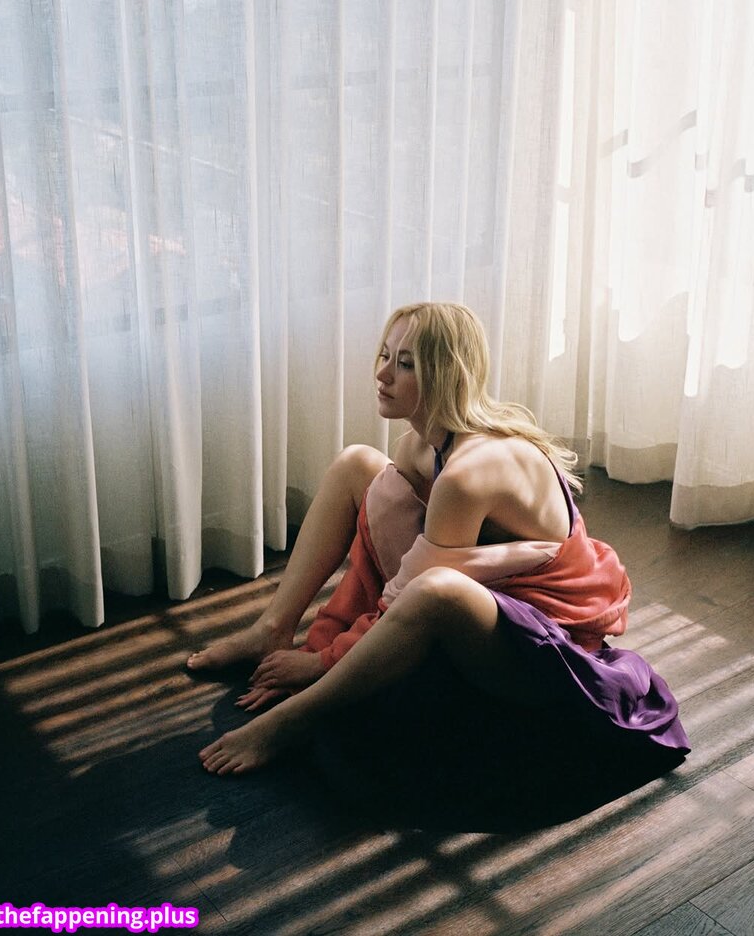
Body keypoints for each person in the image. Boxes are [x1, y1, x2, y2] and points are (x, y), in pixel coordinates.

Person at [191, 302, 689, 784]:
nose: (382, 374)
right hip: (492, 601)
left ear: (447, 375)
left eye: (406, 364)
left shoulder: (466, 476)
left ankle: (293, 720)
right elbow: (371, 564)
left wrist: (321, 664)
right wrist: (321, 644)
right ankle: (271, 628)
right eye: (385, 355)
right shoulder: (420, 443)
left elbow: (406, 594)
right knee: (356, 464)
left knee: (434, 590)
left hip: (544, 651)